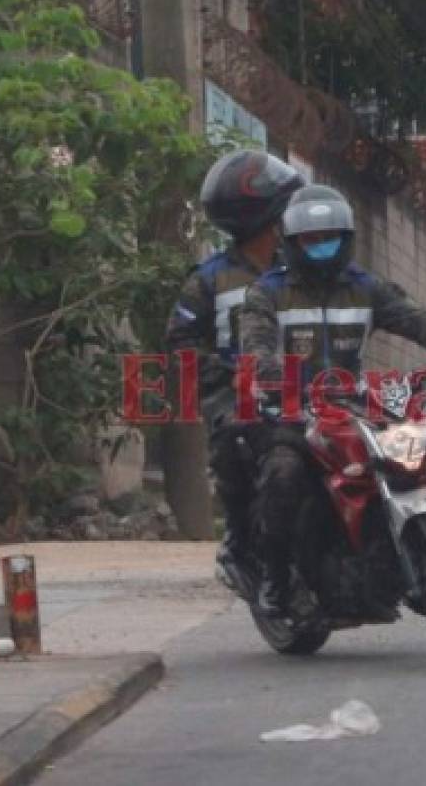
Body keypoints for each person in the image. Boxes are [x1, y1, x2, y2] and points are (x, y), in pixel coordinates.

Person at [238, 182, 426, 616]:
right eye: (311, 240)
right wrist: (272, 372)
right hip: (291, 410)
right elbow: (255, 345)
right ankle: (275, 579)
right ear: (292, 243)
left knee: (414, 456)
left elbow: (413, 319)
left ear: (346, 239)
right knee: (284, 473)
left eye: (329, 237)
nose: (321, 246)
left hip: (353, 405)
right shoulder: (268, 292)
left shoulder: (365, 288)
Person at [164, 149, 303, 589]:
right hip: (239, 392)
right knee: (236, 440)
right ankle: (241, 540)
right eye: (283, 212)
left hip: (308, 385)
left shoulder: (303, 269)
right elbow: (181, 342)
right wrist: (222, 376)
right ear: (264, 217)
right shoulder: (209, 280)